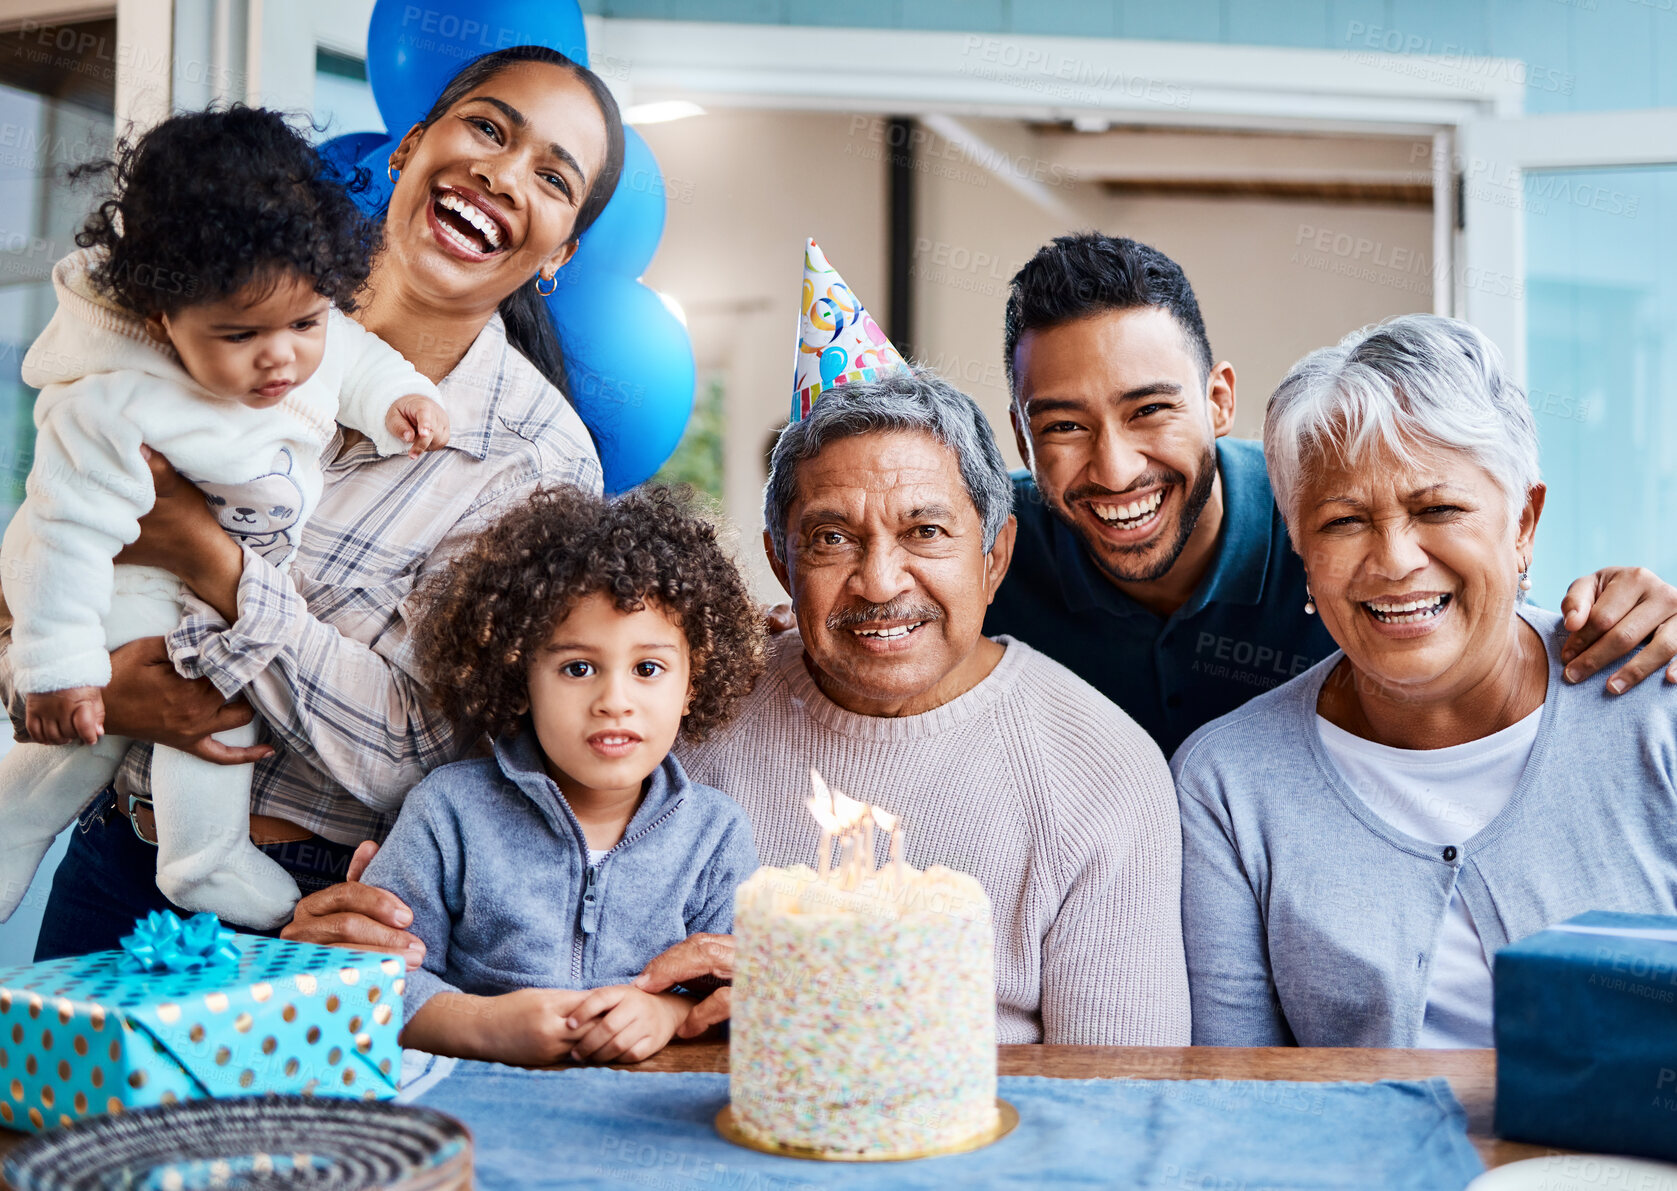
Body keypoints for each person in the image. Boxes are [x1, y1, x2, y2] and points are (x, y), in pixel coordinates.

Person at [288, 273, 1192, 1049]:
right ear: (777, 560)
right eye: (831, 537)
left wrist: (807, 1007)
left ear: (993, 555)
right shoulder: (675, 697)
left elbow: (1119, 1096)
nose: (880, 582)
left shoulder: (1101, 772)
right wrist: (360, 931)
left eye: (925, 532)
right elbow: (484, 845)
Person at [0, 44, 623, 958]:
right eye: (486, 127)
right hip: (106, 864)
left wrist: (205, 558)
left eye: (552, 177)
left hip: (310, 907)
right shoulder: (205, 300)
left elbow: (417, 745)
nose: (499, 171)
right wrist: (65, 680)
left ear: (559, 253)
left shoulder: (537, 466)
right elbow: (51, 531)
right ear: (410, 145)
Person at [0, 107, 451, 930]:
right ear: (157, 318)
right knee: (84, 745)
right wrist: (56, 664)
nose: (281, 358)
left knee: (209, 693)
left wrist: (399, 400)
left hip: (210, 594)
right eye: (239, 336)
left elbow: (353, 359)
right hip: (120, 586)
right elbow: (63, 535)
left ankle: (197, 854)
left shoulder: (301, 316)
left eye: (304, 324)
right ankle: (123, 850)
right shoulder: (112, 400)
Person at [1175, 314, 1677, 1048]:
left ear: (1522, 526)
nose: (1395, 558)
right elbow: (1238, 1099)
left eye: (1437, 508)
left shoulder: (1654, 706)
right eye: (1343, 520)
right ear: (1299, 550)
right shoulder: (1226, 784)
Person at [986, 233, 1677, 757]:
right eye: (1064, 426)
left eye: (1149, 410)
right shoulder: (978, 552)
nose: (1112, 469)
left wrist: (1636, 619)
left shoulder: (1333, 514)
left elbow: (1487, 606)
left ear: (1219, 400)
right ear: (1021, 439)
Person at [362, 486, 763, 1065]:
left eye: (648, 668)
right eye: (578, 668)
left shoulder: (715, 833)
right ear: (520, 675)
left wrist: (668, 1014)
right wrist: (483, 1023)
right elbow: (368, 980)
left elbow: (745, 992)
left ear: (691, 685)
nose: (614, 700)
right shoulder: (447, 812)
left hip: (647, 1130)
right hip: (472, 1114)